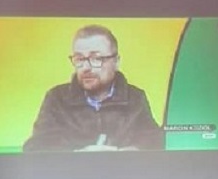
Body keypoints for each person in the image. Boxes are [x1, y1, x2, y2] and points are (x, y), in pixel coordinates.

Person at [23, 25, 164, 151]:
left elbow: (154, 141)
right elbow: (37, 146)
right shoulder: (57, 98)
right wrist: (80, 156)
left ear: (116, 62)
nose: (86, 67)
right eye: (79, 59)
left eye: (96, 58)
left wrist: (127, 153)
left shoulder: (135, 98)